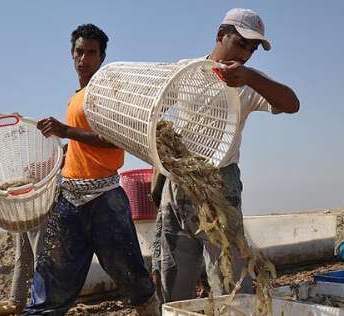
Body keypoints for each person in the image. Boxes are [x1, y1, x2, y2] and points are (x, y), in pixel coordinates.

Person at [151, 8, 300, 303]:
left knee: (229, 276)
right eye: (241, 43)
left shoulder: (248, 83)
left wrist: (250, 78)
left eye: (252, 48)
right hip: (180, 181)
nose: (246, 53)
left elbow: (292, 103)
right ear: (221, 35)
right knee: (173, 273)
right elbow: (155, 112)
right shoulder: (187, 71)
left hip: (221, 185)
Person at [22, 24, 158, 316]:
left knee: (131, 276)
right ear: (71, 55)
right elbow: (82, 147)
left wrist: (66, 130)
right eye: (79, 52)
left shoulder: (106, 94)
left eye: (91, 53)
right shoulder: (76, 97)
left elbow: (114, 139)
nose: (84, 59)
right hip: (70, 198)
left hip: (104, 199)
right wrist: (55, 160)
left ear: (102, 57)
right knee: (51, 281)